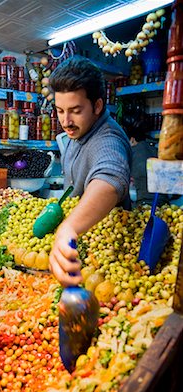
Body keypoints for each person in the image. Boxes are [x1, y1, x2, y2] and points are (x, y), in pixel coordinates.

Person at [48, 56, 132, 287]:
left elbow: (109, 179)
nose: (66, 121)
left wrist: (69, 228)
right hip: (78, 247)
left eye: (75, 111)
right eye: (60, 110)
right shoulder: (78, 131)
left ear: (97, 105)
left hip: (106, 252)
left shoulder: (108, 138)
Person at [122, 117, 169, 207]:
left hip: (143, 204)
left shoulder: (131, 153)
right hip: (165, 204)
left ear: (132, 140)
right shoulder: (156, 151)